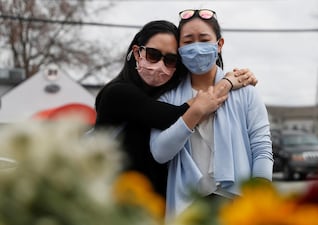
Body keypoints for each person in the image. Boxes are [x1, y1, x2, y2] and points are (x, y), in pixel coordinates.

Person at [94, 20, 257, 199]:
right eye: (153, 55)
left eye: (171, 60)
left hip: (159, 206)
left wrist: (239, 79)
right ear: (137, 52)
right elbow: (172, 117)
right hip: (118, 202)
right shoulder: (117, 93)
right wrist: (226, 84)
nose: (160, 66)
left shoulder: (166, 94)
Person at [150, 9, 273, 219]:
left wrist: (258, 200)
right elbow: (160, 152)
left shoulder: (246, 92)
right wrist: (196, 111)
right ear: (179, 48)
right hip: (187, 206)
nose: (196, 47)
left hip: (237, 205)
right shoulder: (167, 97)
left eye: (204, 39)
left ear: (219, 44)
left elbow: (261, 148)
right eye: (188, 41)